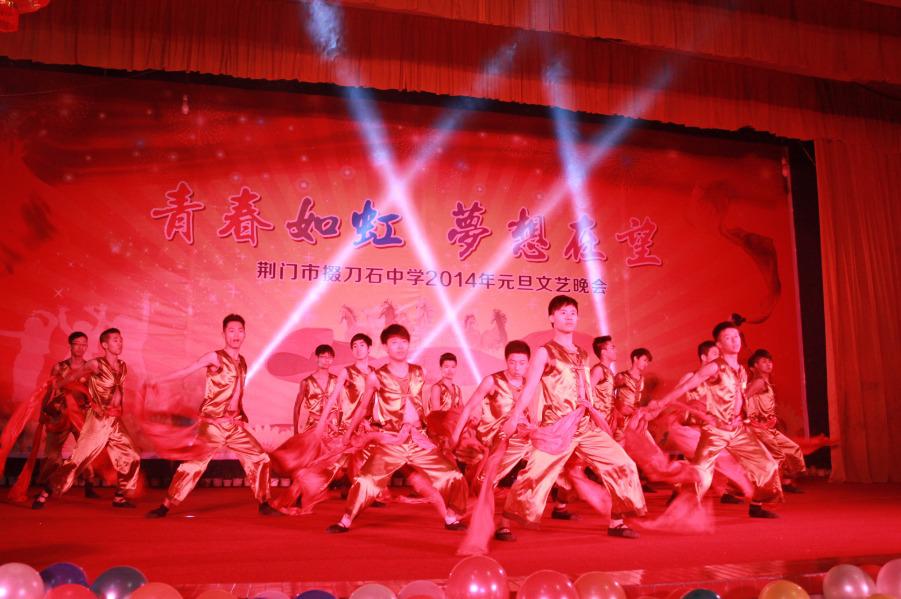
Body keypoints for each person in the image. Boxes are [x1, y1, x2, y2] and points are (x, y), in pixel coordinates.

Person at [500, 295, 646, 538]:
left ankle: (617, 522)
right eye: (563, 312)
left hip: (584, 425)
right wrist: (514, 417)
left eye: (572, 313)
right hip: (557, 428)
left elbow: (585, 388)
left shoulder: (582, 354)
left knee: (623, 463)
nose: (569, 317)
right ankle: (504, 523)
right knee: (533, 474)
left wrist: (596, 414)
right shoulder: (544, 352)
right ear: (552, 318)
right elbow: (530, 388)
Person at [326, 324, 468, 533]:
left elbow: (431, 405)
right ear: (385, 347)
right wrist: (348, 433)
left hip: (418, 439)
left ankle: (451, 518)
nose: (400, 347)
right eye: (394, 343)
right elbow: (363, 407)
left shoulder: (420, 372)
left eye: (403, 342)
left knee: (453, 476)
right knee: (365, 480)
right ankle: (346, 520)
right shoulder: (376, 377)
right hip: (391, 440)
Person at [145, 314, 277, 517]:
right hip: (213, 425)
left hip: (233, 425)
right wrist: (158, 381)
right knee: (193, 464)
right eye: (231, 330)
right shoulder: (214, 357)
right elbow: (187, 370)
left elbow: (237, 393)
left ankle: (264, 503)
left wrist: (240, 418)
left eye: (240, 330)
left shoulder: (242, 362)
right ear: (223, 333)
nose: (236, 335)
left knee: (260, 457)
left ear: (244, 334)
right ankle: (166, 504)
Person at [646, 321, 782, 518]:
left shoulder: (741, 370)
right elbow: (686, 386)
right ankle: (683, 508)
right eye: (728, 338)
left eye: (736, 337)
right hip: (716, 431)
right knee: (701, 474)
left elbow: (740, 400)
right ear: (719, 344)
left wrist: (749, 420)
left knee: (767, 464)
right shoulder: (714, 367)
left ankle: (757, 504)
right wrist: (661, 403)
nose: (734, 341)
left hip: (737, 430)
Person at [35, 328, 141, 509]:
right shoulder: (95, 364)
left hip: (114, 420)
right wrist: (57, 385)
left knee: (132, 456)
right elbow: (73, 376)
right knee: (77, 460)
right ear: (105, 345)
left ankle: (119, 497)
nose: (120, 343)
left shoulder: (122, 366)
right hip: (97, 421)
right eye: (115, 340)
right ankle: (45, 493)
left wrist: (119, 408)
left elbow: (118, 391)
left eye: (121, 339)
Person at [31, 332, 99, 506]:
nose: (81, 348)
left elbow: (95, 393)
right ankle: (48, 485)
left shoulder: (90, 368)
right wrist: (43, 411)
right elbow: (49, 390)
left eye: (84, 344)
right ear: (70, 345)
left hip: (81, 416)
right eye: (77, 344)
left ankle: (89, 483)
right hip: (59, 414)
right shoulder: (59, 367)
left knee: (85, 451)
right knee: (52, 454)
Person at [746, 349, 806, 493]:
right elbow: (743, 399)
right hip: (760, 429)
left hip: (769, 428)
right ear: (755, 366)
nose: (768, 364)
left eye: (769, 361)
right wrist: (753, 421)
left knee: (792, 449)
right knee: (777, 456)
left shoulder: (767, 382)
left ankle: (785, 481)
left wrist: (773, 418)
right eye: (764, 361)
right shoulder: (759, 382)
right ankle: (769, 488)